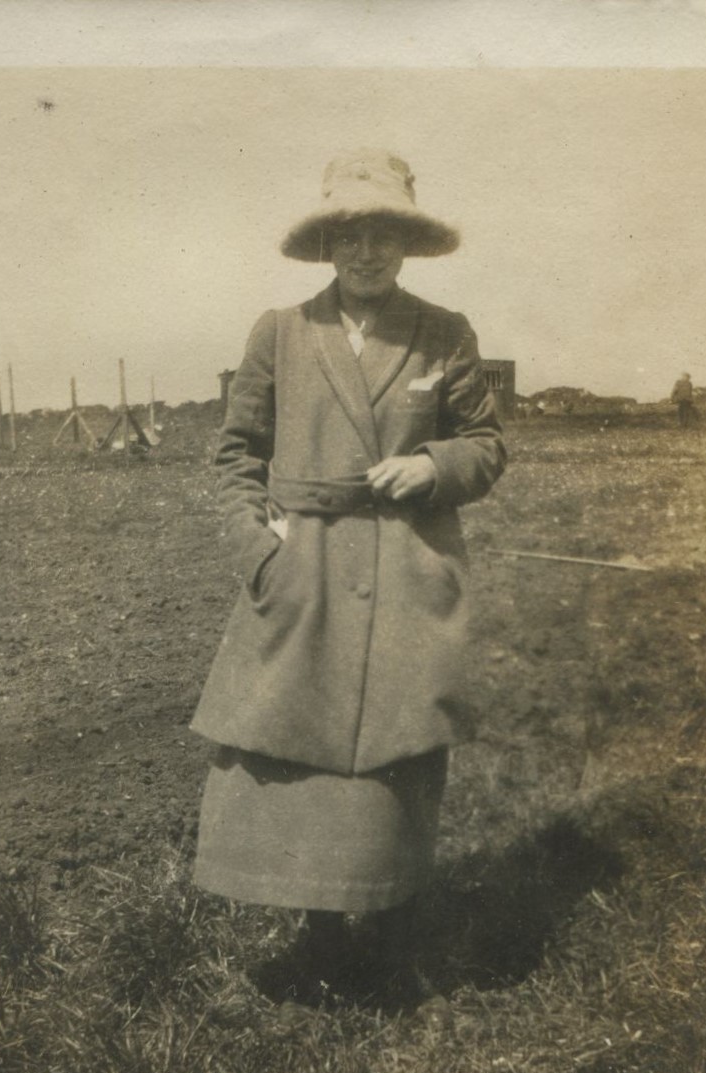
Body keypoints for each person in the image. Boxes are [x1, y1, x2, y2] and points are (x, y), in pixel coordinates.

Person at [191, 149, 506, 1006]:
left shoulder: (445, 332)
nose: (367, 254)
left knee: (396, 763)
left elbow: (487, 445)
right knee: (305, 767)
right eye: (351, 237)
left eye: (384, 237)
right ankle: (317, 944)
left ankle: (392, 943)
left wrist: (433, 467)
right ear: (329, 245)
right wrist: (256, 550)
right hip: (306, 575)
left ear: (407, 244)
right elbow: (234, 454)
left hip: (409, 572)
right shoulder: (281, 332)